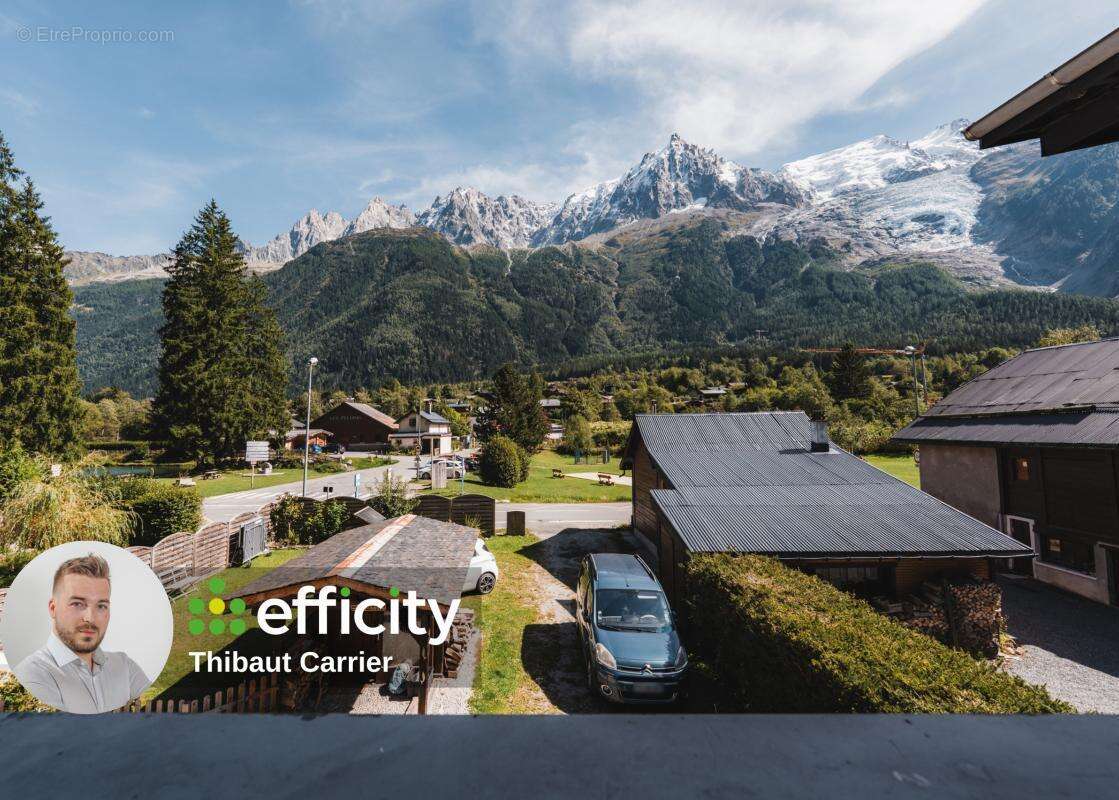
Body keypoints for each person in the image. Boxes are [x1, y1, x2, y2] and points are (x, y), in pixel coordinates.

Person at [14, 553, 150, 714]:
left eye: (101, 606)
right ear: (53, 608)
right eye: (77, 604)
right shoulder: (33, 674)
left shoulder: (124, 666)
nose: (90, 618)